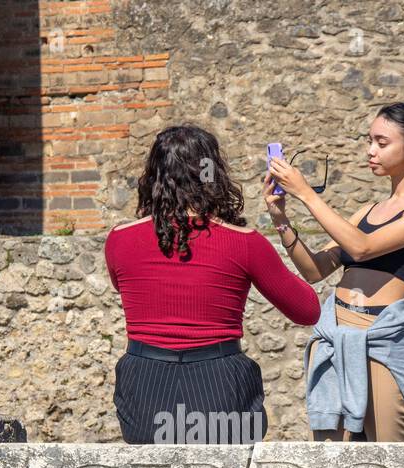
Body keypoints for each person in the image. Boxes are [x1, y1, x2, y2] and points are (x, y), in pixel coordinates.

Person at [104, 125, 321, 445]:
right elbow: (308, 310)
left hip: (144, 392)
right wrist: (280, 219)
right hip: (220, 389)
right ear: (212, 175)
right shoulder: (244, 242)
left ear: (154, 177)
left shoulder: (119, 240)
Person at [263, 101, 404, 442]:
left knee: (390, 455)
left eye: (382, 142)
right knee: (331, 458)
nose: (371, 151)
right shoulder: (368, 209)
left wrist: (307, 194)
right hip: (335, 330)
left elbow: (363, 247)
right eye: (370, 141)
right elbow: (315, 270)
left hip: (380, 335)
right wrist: (281, 219)